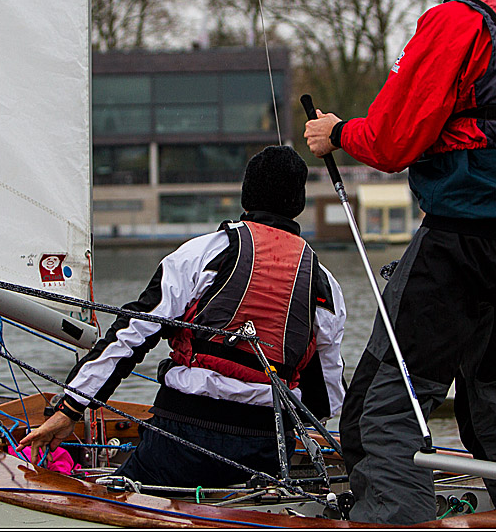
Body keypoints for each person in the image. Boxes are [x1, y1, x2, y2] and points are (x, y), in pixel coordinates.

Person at [304, 0, 496, 524]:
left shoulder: (455, 21)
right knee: (493, 399)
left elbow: (395, 140)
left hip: (459, 242)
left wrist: (338, 134)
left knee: (384, 407)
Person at [20, 145, 347, 488]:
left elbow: (131, 334)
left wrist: (70, 409)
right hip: (264, 447)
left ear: (245, 197)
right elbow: (327, 397)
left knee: (115, 493)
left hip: (180, 437)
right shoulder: (324, 285)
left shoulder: (201, 254)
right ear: (298, 205)